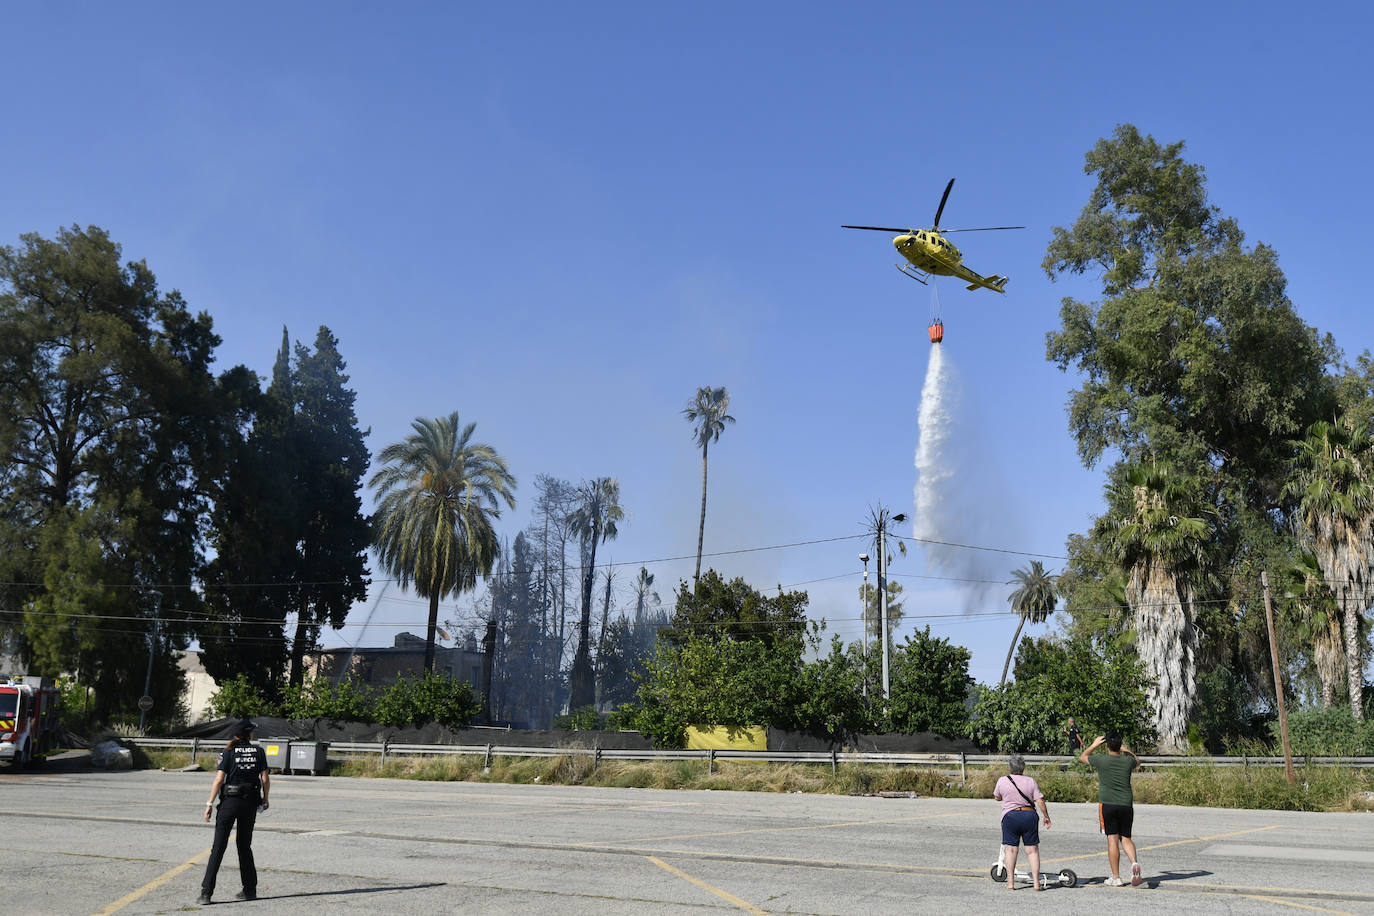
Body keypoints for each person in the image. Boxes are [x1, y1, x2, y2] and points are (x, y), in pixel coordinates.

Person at [198, 718, 270, 904]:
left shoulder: (228, 751)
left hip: (229, 803)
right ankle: (250, 890)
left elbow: (219, 779)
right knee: (244, 846)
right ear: (248, 734)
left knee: (218, 848)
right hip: (250, 803)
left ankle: (206, 893)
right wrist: (265, 799)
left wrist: (209, 804)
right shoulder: (259, 751)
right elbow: (265, 779)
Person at [1079, 731, 1142, 887]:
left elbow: (1082, 757)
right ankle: (1134, 863)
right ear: (1120, 745)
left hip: (1108, 803)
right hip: (1126, 804)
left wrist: (1093, 745)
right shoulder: (1128, 761)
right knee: (1126, 838)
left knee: (1112, 839)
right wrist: (1127, 751)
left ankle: (1116, 877)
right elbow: (1138, 762)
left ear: (1106, 745)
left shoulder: (1101, 760)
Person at [992, 754, 1051, 891]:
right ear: (1023, 768)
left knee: (1011, 850)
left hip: (1010, 816)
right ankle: (1036, 883)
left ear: (1010, 767)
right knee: (1032, 850)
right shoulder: (1030, 781)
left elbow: (997, 797)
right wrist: (1046, 816)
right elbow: (1040, 801)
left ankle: (1011, 883)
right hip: (1029, 815)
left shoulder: (1002, 780)